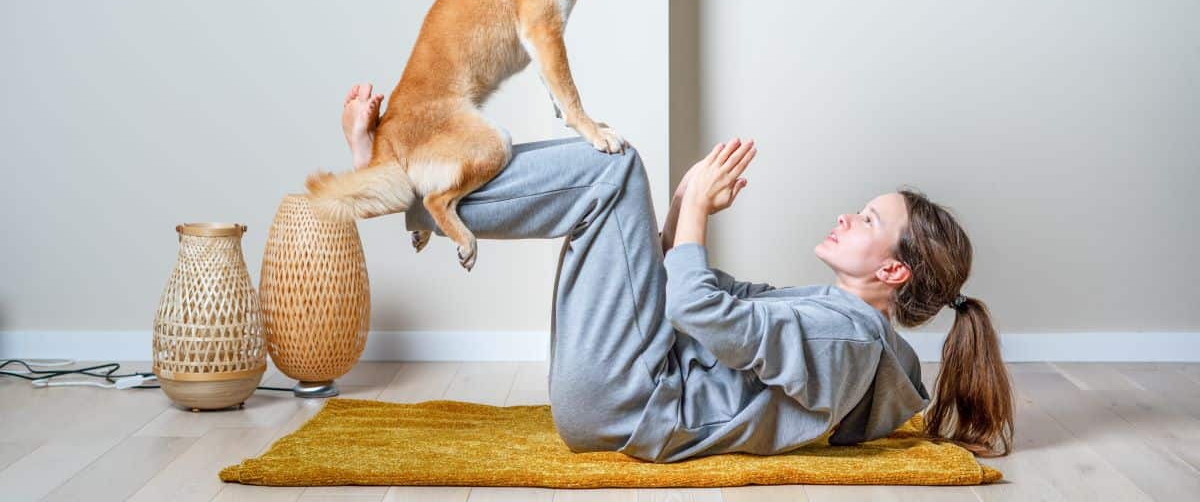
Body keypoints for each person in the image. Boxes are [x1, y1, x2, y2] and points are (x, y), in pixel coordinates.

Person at [339, 83, 1015, 460]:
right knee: (611, 178)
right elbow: (681, 291)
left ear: (893, 272)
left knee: (613, 168)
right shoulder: (832, 317)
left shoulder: (846, 341)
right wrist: (683, 217)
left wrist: (694, 205)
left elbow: (697, 313)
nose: (847, 218)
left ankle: (399, 187)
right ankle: (411, 191)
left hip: (626, 397)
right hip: (630, 382)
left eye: (868, 220)